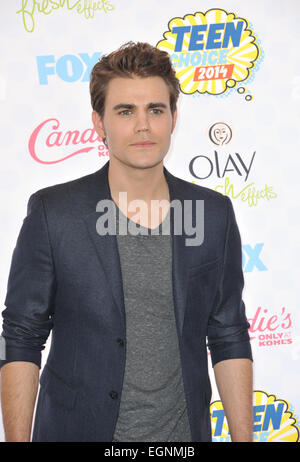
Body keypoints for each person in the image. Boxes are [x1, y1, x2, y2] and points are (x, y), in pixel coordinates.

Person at [0, 42, 253, 442]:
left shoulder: (213, 213)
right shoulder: (54, 213)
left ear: (173, 118)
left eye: (155, 109)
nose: (143, 125)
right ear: (99, 124)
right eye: (124, 111)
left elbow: (228, 333)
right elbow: (20, 336)